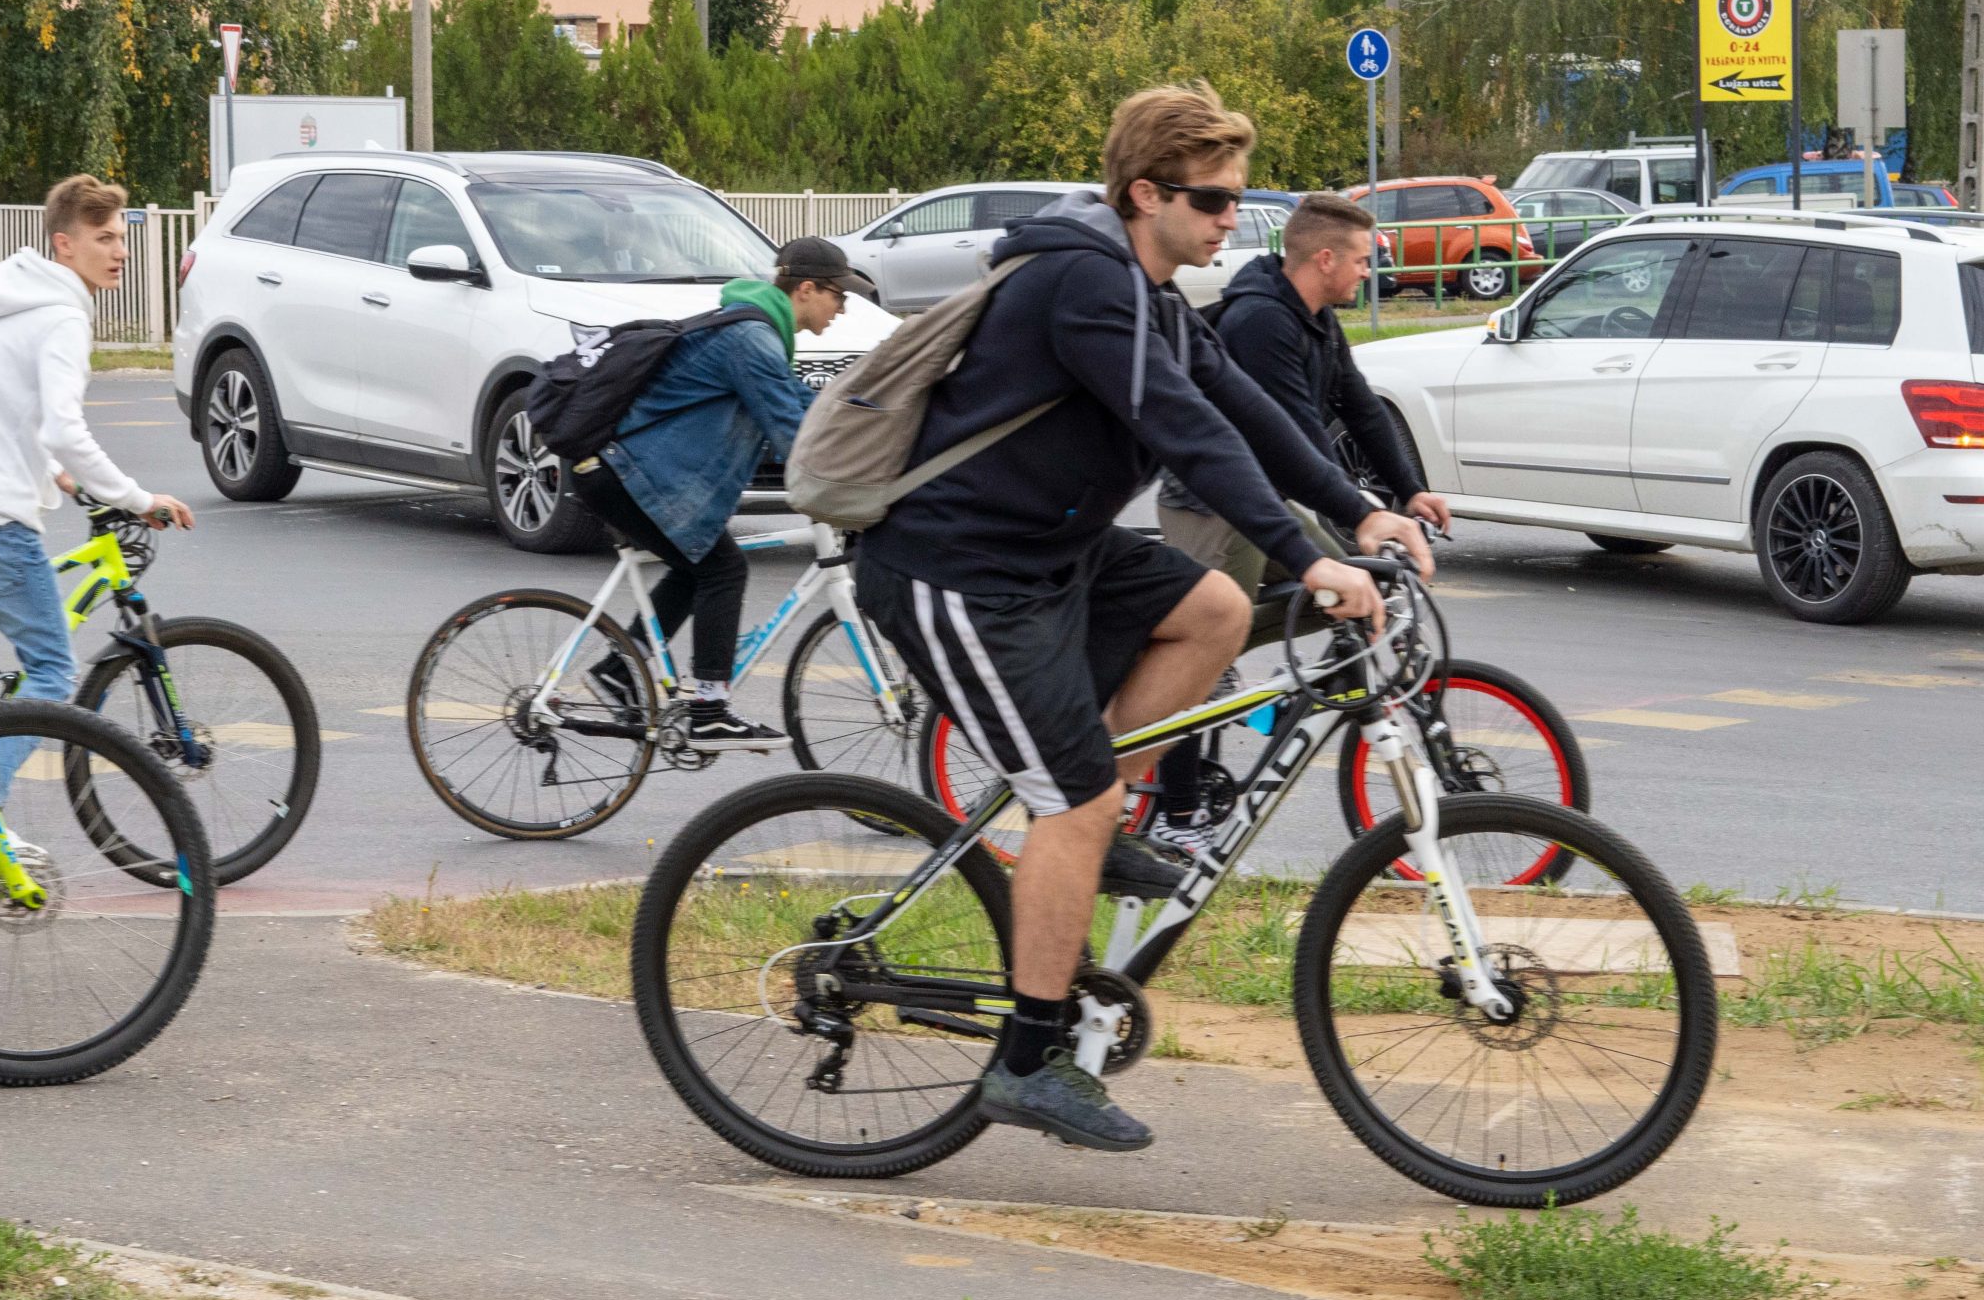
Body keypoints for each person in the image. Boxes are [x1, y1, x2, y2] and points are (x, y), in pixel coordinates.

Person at [854, 84, 1434, 1153]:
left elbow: (1242, 412)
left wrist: (1359, 510)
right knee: (1071, 801)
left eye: (1237, 201)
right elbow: (1185, 434)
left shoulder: (1153, 296)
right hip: (957, 570)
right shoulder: (1084, 284)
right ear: (1144, 194)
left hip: (1052, 554)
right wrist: (1310, 557)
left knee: (1213, 607)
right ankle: (1029, 1060)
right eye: (1211, 200)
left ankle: (1098, 828)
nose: (1229, 220)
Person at [1151, 192, 1452, 854]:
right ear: (1325, 260)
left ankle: (1252, 687)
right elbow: (1297, 435)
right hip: (1212, 502)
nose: (1369, 272)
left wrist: (1409, 491)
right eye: (1362, 260)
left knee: (1352, 592)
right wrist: (1359, 512)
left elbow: (1360, 406)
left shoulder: (1314, 317)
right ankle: (1177, 815)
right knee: (1203, 647)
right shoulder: (1261, 322)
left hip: (1263, 503)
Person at [0, 174, 193, 862]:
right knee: (51, 672)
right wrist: (137, 498)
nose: (119, 251)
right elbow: (64, 427)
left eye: (121, 237)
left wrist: (57, 476)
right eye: (104, 238)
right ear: (65, 244)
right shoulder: (64, 316)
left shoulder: (11, 296)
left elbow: (10, 406)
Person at [572, 236, 854, 746]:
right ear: (808, 289)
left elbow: (803, 404)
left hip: (623, 471)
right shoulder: (751, 339)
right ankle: (709, 709)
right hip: (625, 473)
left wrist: (869, 423)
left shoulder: (757, 333)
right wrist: (858, 486)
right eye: (840, 295)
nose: (842, 309)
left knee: (697, 563)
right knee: (723, 570)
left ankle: (620, 670)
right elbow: (793, 434)